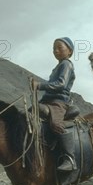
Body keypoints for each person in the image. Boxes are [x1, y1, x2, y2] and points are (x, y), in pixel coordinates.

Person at [30, 37, 80, 172]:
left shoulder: (66, 64)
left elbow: (61, 84)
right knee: (29, 114)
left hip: (59, 102)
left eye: (59, 48)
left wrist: (40, 85)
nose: (56, 51)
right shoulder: (57, 67)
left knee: (56, 124)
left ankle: (70, 159)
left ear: (69, 51)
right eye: (54, 48)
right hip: (48, 101)